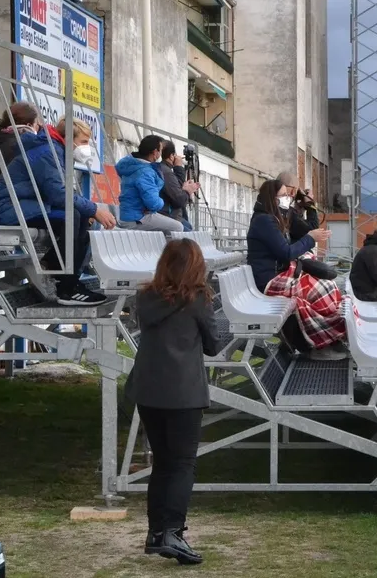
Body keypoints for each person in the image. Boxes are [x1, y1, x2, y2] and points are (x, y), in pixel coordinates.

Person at [126, 238, 221, 565]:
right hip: (183, 392)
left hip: (148, 390)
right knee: (182, 464)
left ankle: (156, 533)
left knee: (163, 464)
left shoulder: (144, 297)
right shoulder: (198, 299)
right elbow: (213, 345)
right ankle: (173, 532)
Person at [0, 117, 117, 306]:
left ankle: (63, 277)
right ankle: (65, 285)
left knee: (79, 215)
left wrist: (89, 210)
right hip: (8, 207)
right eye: (83, 142)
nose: (86, 147)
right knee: (73, 216)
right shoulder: (48, 153)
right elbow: (58, 194)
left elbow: (59, 192)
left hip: (25, 204)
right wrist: (94, 209)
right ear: (69, 138)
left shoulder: (56, 151)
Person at [246, 179, 346, 361]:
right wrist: (310, 237)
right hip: (268, 280)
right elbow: (286, 252)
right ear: (273, 198)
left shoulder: (272, 217)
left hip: (277, 273)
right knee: (318, 291)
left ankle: (330, 338)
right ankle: (318, 343)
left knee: (327, 286)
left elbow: (291, 242)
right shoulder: (264, 221)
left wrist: (307, 207)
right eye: (284, 195)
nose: (288, 198)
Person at [117, 135, 184, 232]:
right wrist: (161, 202)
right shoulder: (145, 172)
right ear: (155, 152)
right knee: (178, 227)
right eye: (160, 150)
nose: (161, 154)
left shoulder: (132, 165)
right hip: (137, 218)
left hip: (128, 214)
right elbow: (154, 204)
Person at [0, 101, 42, 190]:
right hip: (10, 193)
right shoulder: (20, 144)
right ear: (29, 125)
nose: (39, 127)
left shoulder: (1, 137)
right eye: (36, 124)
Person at [158, 141, 199, 230]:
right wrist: (188, 191)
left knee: (188, 226)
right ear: (171, 156)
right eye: (174, 155)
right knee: (189, 233)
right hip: (169, 215)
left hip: (169, 214)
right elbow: (178, 198)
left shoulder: (163, 169)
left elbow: (176, 188)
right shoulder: (166, 172)